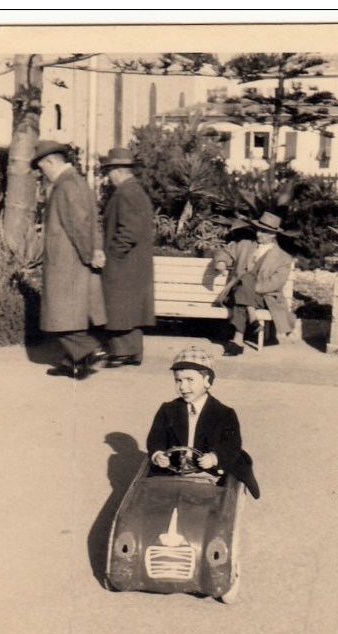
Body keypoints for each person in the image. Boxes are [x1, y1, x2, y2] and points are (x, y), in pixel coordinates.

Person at [31, 140, 107, 380]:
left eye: (42, 167)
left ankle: (89, 350)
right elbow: (91, 221)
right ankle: (73, 362)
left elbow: (78, 225)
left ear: (51, 162)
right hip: (72, 261)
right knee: (68, 315)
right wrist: (95, 249)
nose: (42, 173)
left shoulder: (66, 186)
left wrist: (89, 253)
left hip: (67, 263)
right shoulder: (76, 182)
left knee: (58, 317)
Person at [147, 346, 260, 499]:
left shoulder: (224, 413)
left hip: (209, 474)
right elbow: (156, 437)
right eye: (178, 380)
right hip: (175, 471)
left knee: (208, 505)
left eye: (190, 380)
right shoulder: (168, 409)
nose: (182, 387)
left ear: (207, 381)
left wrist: (214, 457)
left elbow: (231, 444)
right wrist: (158, 454)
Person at [100, 148, 155, 367]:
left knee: (119, 306)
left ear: (118, 171)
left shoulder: (126, 193)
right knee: (130, 308)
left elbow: (129, 230)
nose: (108, 177)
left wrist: (113, 254)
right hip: (133, 262)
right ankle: (133, 352)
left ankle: (121, 352)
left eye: (109, 172)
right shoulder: (135, 191)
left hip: (124, 263)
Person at [213, 211, 296, 357]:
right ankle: (250, 319)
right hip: (239, 294)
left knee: (245, 283)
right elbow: (224, 252)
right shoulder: (244, 245)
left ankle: (238, 341)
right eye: (258, 229)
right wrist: (221, 262)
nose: (258, 234)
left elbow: (276, 283)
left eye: (263, 231)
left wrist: (252, 288)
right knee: (243, 288)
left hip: (263, 297)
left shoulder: (284, 258)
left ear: (273, 234)